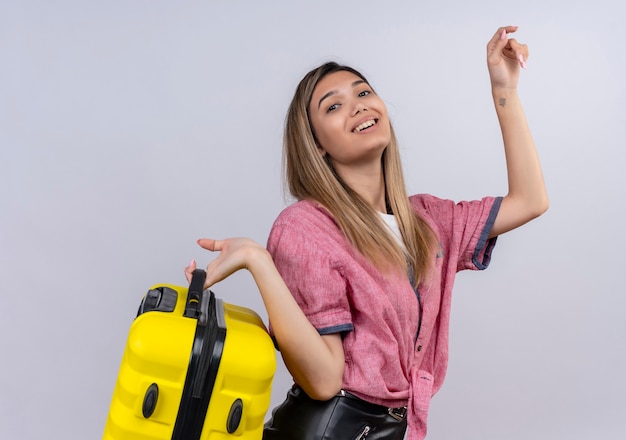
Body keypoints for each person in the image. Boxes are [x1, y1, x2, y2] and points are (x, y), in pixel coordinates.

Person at [185, 26, 548, 440]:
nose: (357, 106)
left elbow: (531, 200)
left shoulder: (428, 221)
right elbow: (322, 380)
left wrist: (504, 90)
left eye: (362, 93)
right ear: (316, 143)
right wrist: (258, 261)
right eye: (333, 106)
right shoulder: (306, 229)